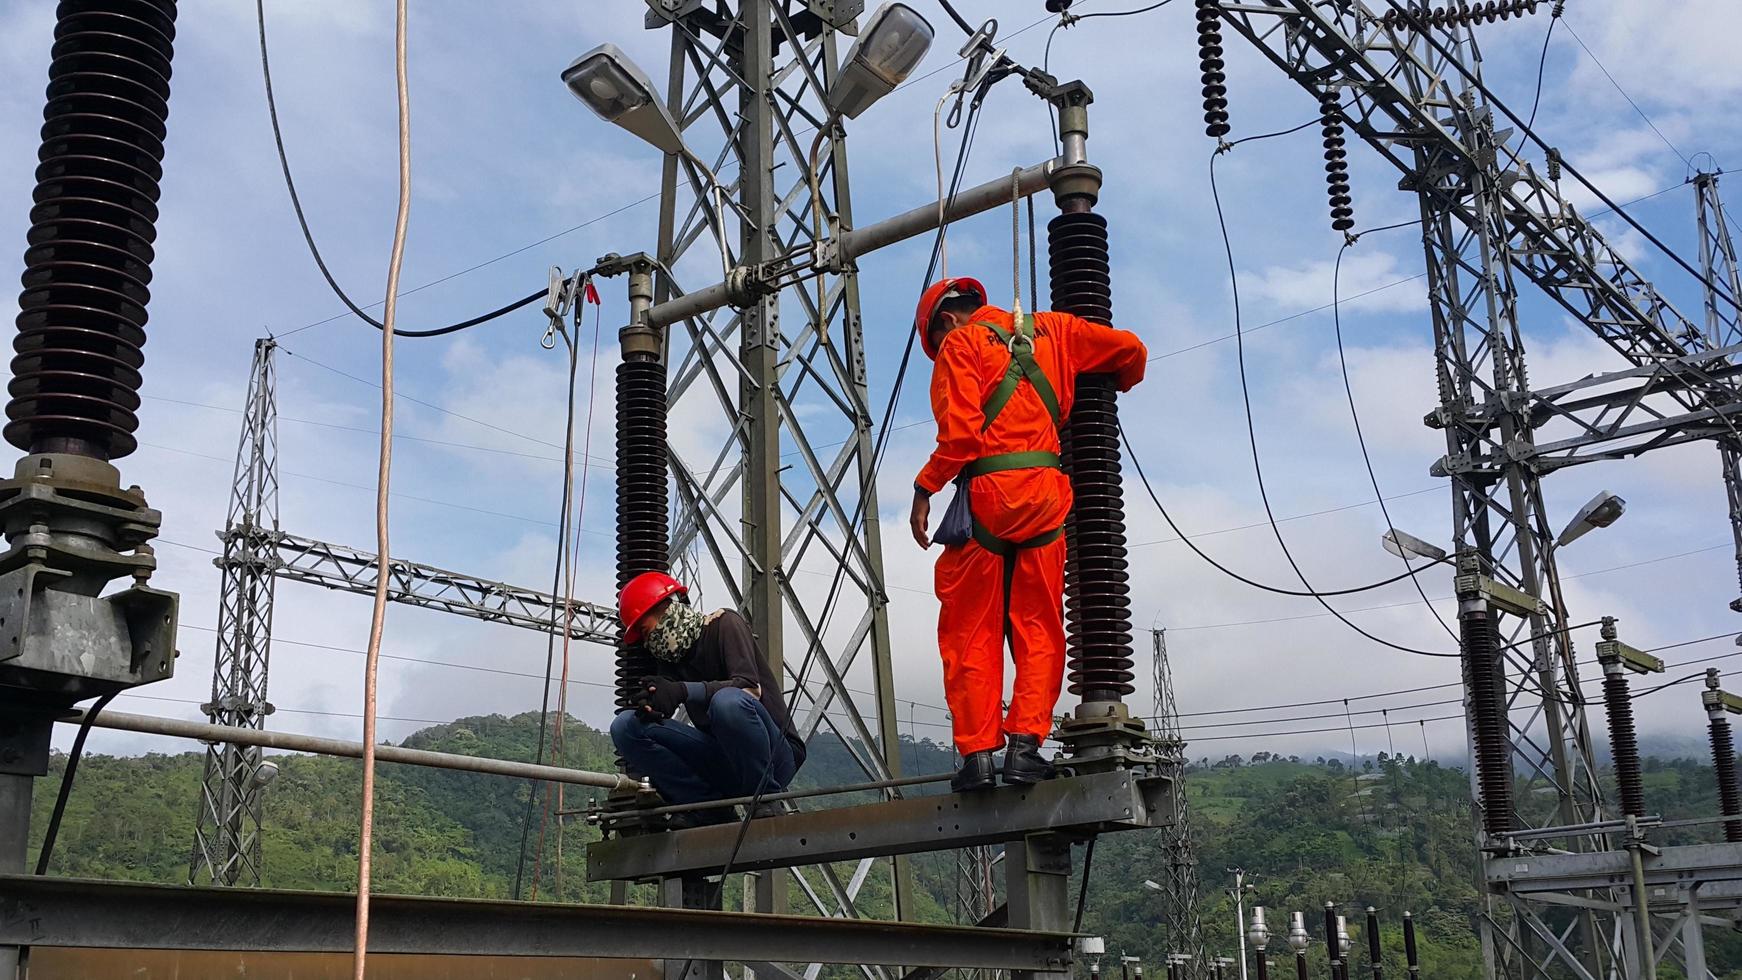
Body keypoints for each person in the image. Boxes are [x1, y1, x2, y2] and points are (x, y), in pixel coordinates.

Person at [908, 277, 1147, 792]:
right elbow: (1131, 349)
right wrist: (1114, 382)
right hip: (1044, 492)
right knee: (1038, 625)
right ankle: (1025, 748)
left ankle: (977, 758)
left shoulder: (961, 343)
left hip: (989, 496)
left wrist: (925, 487)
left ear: (945, 321)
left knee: (970, 629)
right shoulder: (1055, 330)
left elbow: (961, 436)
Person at [610, 571, 805, 823]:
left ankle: (766, 800)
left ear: (668, 610)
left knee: (726, 703)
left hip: (774, 757)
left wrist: (682, 690)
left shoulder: (725, 624)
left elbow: (749, 688)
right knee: (626, 726)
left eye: (646, 631)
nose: (648, 642)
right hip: (724, 761)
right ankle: (705, 806)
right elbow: (668, 700)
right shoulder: (670, 658)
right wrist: (653, 704)